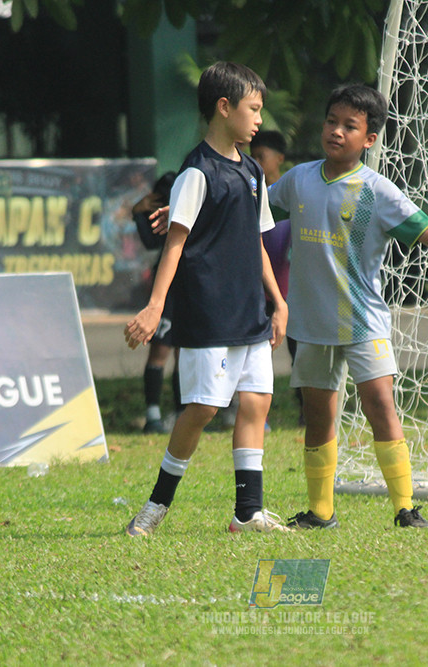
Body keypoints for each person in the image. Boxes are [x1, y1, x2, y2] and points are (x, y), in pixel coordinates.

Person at [266, 84, 428, 530]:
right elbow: (255, 207)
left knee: (380, 405)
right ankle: (320, 511)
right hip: (311, 325)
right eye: (331, 121)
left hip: (363, 322)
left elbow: (424, 228)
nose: (336, 131)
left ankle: (405, 508)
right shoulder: (298, 180)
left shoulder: (377, 191)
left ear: (370, 139)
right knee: (317, 416)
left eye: (349, 126)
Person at [123, 61, 289, 536]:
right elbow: (174, 244)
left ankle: (247, 513)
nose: (259, 119)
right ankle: (155, 506)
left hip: (251, 312)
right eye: (253, 109)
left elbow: (257, 242)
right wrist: (155, 306)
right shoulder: (197, 172)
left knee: (256, 403)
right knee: (201, 409)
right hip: (210, 312)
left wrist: (277, 301)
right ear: (224, 108)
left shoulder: (253, 170)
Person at [250, 130, 304, 426]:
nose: (256, 162)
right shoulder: (250, 195)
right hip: (260, 291)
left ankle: (307, 413)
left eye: (262, 156)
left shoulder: (291, 196)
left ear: (279, 159)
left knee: (300, 354)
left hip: (291, 291)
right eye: (253, 156)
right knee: (258, 355)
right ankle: (259, 418)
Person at [131, 171, 181, 434]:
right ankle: (153, 416)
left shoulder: (197, 211)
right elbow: (152, 242)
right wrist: (139, 214)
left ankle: (183, 413)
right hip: (168, 293)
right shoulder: (163, 219)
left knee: (185, 352)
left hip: (194, 289)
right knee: (160, 351)